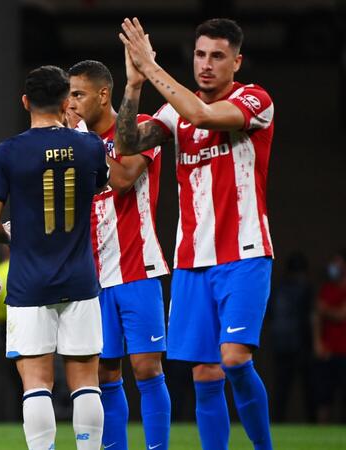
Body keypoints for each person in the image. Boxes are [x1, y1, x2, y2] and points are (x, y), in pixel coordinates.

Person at [116, 17, 275, 449]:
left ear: (236, 62)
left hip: (244, 254)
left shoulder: (255, 100)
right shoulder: (172, 113)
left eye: (217, 56)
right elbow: (127, 144)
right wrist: (134, 85)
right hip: (191, 260)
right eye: (200, 54)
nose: (206, 64)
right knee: (204, 374)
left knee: (234, 360)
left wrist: (151, 66)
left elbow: (202, 114)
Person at [0, 65, 108, 450]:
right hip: (80, 279)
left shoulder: (7, 152)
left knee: (36, 383)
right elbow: (101, 184)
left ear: (25, 102)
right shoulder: (90, 146)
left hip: (28, 282)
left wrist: (12, 234)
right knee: (86, 381)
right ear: (67, 102)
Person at [67, 59, 171, 450]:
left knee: (147, 368)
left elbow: (124, 179)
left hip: (137, 267)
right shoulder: (72, 143)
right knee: (105, 375)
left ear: (103, 94)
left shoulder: (139, 128)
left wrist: (84, 141)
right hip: (92, 276)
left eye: (79, 95)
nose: (72, 104)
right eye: (69, 96)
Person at [267, 252, 315, 422]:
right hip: (300, 343)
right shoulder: (304, 288)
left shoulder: (277, 288)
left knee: (282, 387)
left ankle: (277, 421)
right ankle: (311, 421)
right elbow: (310, 317)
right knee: (307, 387)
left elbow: (269, 314)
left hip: (281, 343)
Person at [313, 249, 346, 423]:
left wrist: (325, 309)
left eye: (338, 262)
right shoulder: (327, 289)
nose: (334, 266)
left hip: (344, 351)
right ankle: (321, 430)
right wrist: (317, 342)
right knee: (324, 396)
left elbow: (342, 314)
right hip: (328, 351)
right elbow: (316, 316)